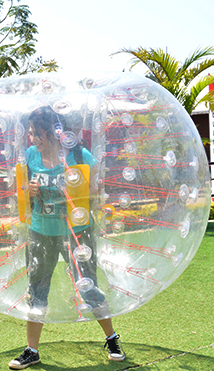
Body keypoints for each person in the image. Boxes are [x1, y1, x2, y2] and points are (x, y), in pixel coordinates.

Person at [9, 106, 125, 369]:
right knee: (36, 291)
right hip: (41, 231)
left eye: (38, 134)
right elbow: (22, 193)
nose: (33, 139)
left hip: (75, 232)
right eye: (30, 133)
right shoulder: (30, 156)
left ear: (52, 132)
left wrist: (72, 189)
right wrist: (29, 190)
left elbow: (94, 190)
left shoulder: (76, 155)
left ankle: (112, 338)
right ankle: (31, 350)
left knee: (89, 287)